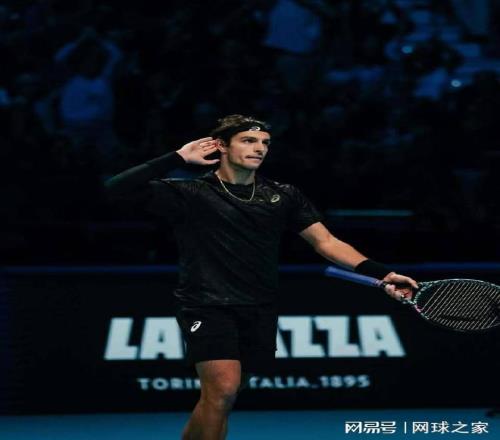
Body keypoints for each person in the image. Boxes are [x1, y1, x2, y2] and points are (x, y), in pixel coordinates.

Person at [105, 114, 418, 440]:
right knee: (223, 390)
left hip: (259, 306)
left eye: (265, 143)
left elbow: (326, 242)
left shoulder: (283, 195)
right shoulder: (190, 192)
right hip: (207, 303)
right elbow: (114, 189)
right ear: (221, 146)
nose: (259, 148)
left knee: (223, 398)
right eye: (248, 141)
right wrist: (177, 158)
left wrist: (383, 273)